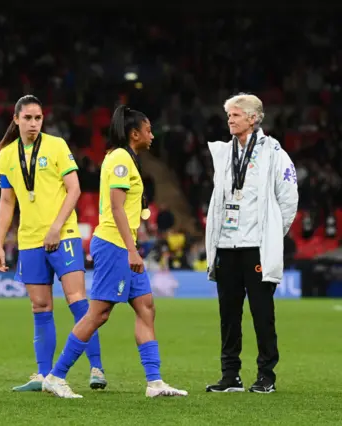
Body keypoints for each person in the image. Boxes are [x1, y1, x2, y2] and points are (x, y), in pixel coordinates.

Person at [42, 106, 188, 398]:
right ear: (134, 134)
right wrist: (132, 250)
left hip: (122, 245)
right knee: (99, 313)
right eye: (148, 130)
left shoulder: (125, 158)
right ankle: (56, 376)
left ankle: (154, 382)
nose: (152, 135)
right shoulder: (121, 158)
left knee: (146, 306)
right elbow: (117, 207)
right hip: (114, 245)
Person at [0, 95, 106, 392]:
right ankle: (45, 375)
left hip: (64, 236)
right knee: (40, 306)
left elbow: (75, 189)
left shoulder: (56, 145)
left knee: (78, 302)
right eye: (28, 118)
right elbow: (7, 202)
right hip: (29, 240)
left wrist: (56, 227)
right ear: (16, 119)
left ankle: (96, 367)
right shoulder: (6, 155)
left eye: (38, 118)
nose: (33, 123)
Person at [205, 93, 298, 394]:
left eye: (235, 114)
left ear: (253, 118)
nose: (229, 119)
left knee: (262, 313)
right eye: (228, 114)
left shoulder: (274, 153)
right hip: (226, 245)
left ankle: (266, 375)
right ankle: (230, 375)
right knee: (228, 315)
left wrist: (271, 235)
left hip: (256, 247)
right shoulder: (223, 152)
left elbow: (288, 200)